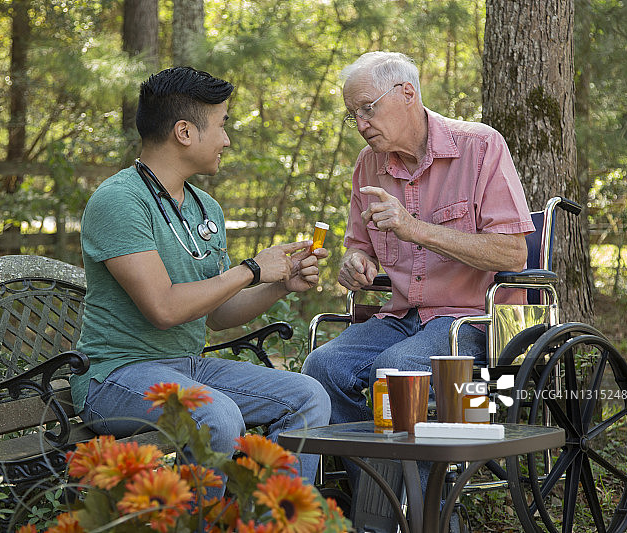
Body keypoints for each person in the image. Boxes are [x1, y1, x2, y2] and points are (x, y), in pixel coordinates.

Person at [71, 66, 331, 495]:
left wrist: (279, 285)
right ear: (185, 132)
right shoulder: (119, 201)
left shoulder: (204, 206)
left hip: (188, 368)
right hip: (115, 376)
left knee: (308, 395)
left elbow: (217, 316)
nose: (227, 140)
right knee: (217, 416)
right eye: (223, 125)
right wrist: (250, 269)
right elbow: (165, 309)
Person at [302, 51, 534, 485]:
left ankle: (429, 508)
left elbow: (512, 254)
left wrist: (417, 230)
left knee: (395, 370)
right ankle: (380, 495)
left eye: (367, 109)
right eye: (352, 114)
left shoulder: (480, 146)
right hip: (402, 315)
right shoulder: (368, 165)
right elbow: (358, 247)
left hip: (472, 320)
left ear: (407, 93)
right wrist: (355, 263)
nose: (360, 124)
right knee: (323, 367)